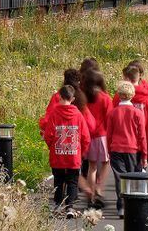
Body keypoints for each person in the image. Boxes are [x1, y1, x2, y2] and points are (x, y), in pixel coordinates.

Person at [42, 83, 90, 218]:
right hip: (74, 155)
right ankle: (70, 207)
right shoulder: (78, 115)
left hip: (57, 155)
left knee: (58, 181)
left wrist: (52, 147)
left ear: (59, 97)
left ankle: (57, 205)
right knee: (72, 182)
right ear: (73, 99)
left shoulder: (54, 114)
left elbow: (48, 135)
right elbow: (86, 137)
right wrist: (82, 152)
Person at [105, 80, 148, 213]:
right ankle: (131, 204)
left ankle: (121, 205)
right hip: (133, 149)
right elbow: (142, 136)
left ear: (119, 94)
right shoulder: (137, 113)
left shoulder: (113, 113)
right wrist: (145, 155)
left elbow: (109, 134)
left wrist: (109, 150)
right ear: (132, 95)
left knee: (120, 178)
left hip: (116, 148)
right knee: (132, 177)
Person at [81, 67, 113, 207]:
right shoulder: (105, 98)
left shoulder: (84, 97)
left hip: (89, 135)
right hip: (102, 135)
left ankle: (91, 193)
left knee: (91, 167)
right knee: (106, 163)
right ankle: (99, 188)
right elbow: (110, 118)